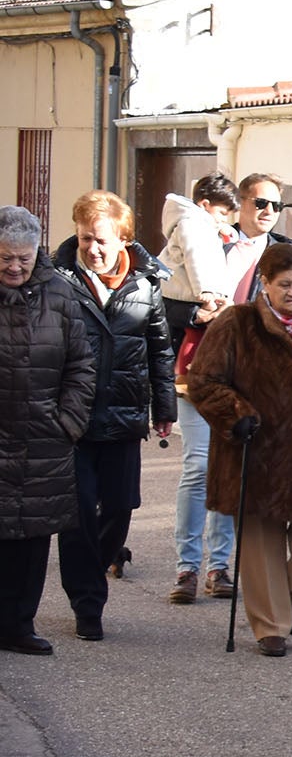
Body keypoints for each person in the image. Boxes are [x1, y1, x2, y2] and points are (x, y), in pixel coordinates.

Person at [187, 243, 292, 657]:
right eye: (285, 285)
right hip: (254, 451)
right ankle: (270, 626)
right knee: (261, 546)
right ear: (265, 283)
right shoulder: (236, 324)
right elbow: (203, 380)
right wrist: (235, 413)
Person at [53, 192, 175, 642]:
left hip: (123, 416)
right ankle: (87, 603)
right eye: (86, 239)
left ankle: (95, 574)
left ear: (123, 238)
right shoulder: (57, 281)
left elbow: (159, 350)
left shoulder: (145, 284)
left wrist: (164, 408)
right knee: (79, 512)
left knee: (120, 508)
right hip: (74, 419)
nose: (93, 248)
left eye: (101, 240)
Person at [0, 207, 95, 655]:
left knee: (33, 538)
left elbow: (81, 363)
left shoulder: (59, 292)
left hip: (44, 437)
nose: (14, 267)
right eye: (5, 258)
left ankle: (20, 625)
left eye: (22, 257)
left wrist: (68, 422)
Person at [158, 174, 244, 605]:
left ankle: (220, 565)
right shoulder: (190, 229)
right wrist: (200, 310)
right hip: (193, 367)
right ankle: (188, 566)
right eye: (230, 210)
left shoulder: (258, 248)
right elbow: (163, 304)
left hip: (238, 372)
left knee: (229, 465)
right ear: (209, 205)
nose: (262, 213)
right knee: (196, 465)